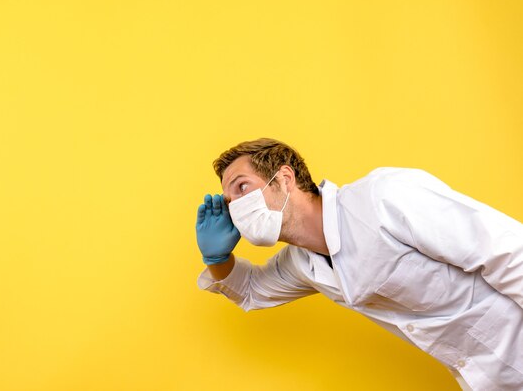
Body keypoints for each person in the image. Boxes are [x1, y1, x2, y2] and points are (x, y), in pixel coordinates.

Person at [195, 138, 523, 391]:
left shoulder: (383, 198)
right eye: (228, 201)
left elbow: (505, 250)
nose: (235, 208)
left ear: (284, 178)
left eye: (242, 188)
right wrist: (217, 258)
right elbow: (251, 291)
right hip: (486, 380)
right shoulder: (301, 263)